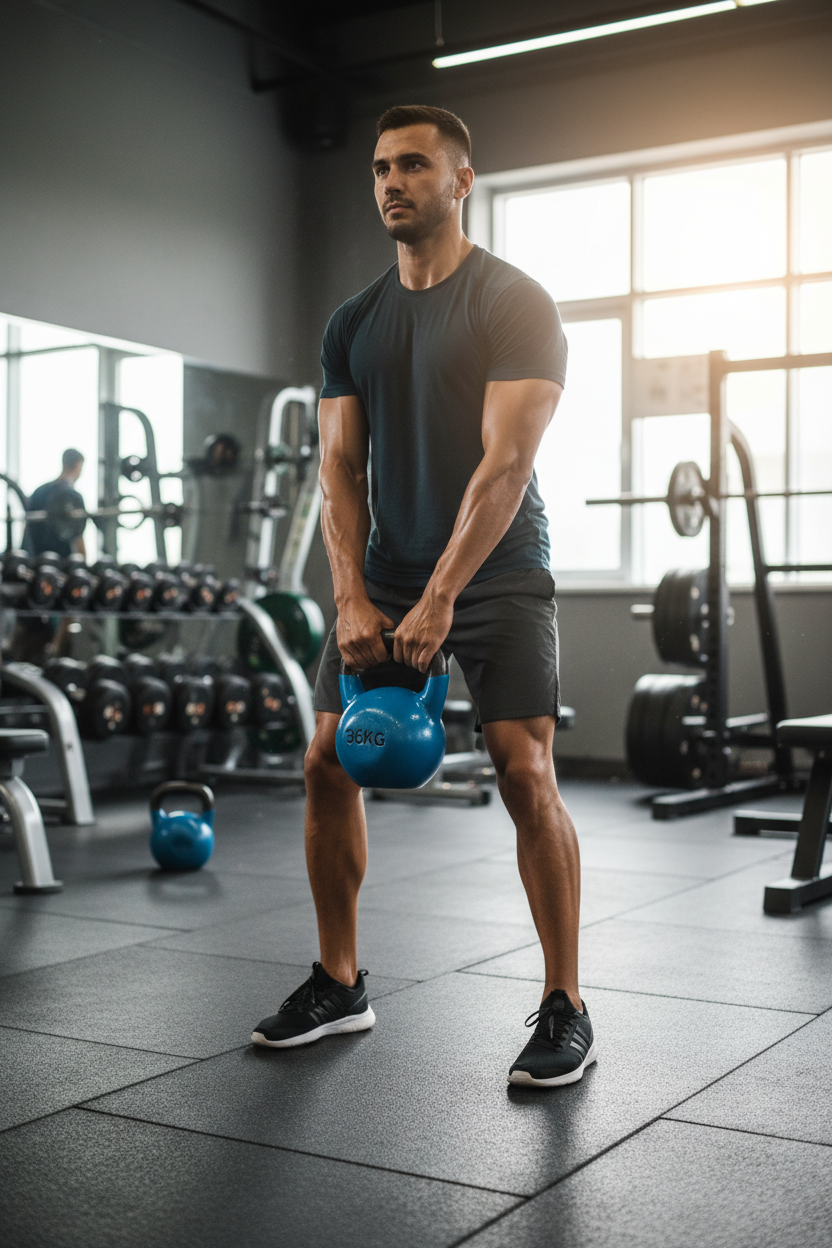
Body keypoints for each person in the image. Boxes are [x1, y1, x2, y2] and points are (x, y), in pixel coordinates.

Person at [252, 105, 595, 1088]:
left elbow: (506, 464)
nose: (389, 183)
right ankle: (338, 979)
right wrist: (352, 597)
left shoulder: (513, 302)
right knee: (324, 760)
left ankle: (565, 1002)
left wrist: (440, 598)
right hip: (390, 567)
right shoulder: (353, 322)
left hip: (498, 568)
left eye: (411, 165)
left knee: (521, 768)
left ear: (460, 181)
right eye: (377, 169)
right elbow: (337, 468)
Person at [24, 448, 87, 562]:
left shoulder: (39, 491)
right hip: (61, 562)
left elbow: (26, 528)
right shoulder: (73, 497)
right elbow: (78, 535)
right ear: (78, 465)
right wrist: (84, 563)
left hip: (37, 560)